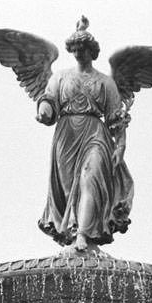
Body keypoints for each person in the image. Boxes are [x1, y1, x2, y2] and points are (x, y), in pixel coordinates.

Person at [37, 17, 134, 251]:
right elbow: (49, 99)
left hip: (95, 134)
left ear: (92, 51)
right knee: (71, 187)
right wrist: (45, 108)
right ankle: (72, 228)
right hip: (67, 135)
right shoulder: (60, 77)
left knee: (90, 179)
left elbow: (114, 118)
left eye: (82, 49)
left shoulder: (105, 82)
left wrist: (120, 145)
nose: (78, 53)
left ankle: (83, 234)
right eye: (75, 50)